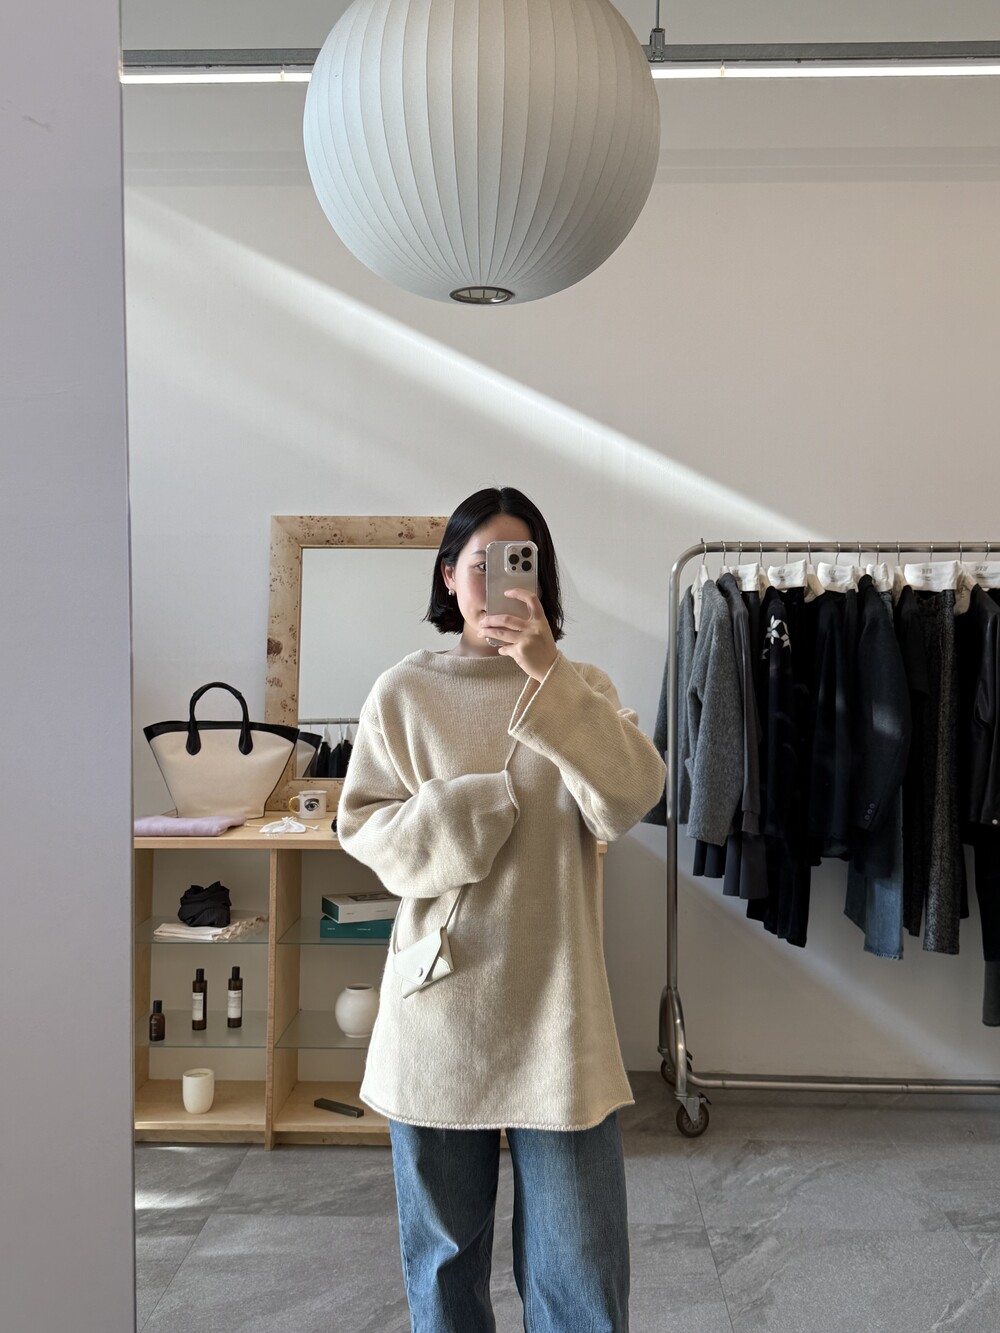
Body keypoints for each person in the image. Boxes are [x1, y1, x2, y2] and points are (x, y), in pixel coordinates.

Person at [336, 486, 667, 1333]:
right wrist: (466, 810)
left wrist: (549, 674)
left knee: (581, 1273)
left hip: (559, 1014)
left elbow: (632, 796)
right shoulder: (404, 691)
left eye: (518, 562)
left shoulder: (581, 687)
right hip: (439, 1012)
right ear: (449, 576)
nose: (497, 581)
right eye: (479, 563)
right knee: (445, 1268)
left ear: (541, 577)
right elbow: (364, 828)